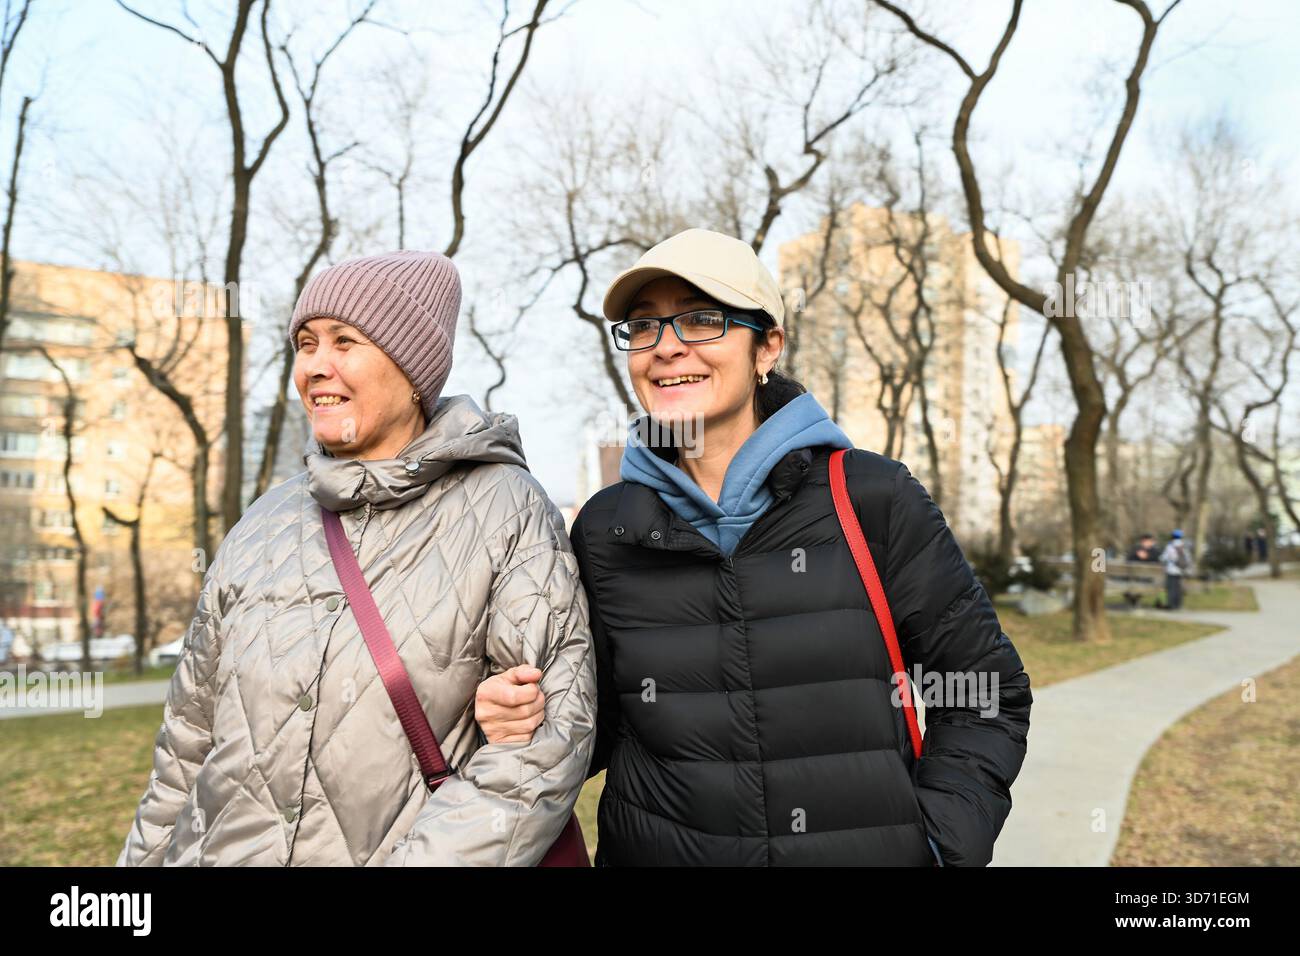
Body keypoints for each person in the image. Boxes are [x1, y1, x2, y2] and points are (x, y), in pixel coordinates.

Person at [474, 228, 1033, 866]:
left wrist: (938, 843)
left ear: (767, 346)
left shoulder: (872, 499)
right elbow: (595, 728)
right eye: (644, 326)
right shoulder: (606, 528)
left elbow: (986, 691)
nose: (667, 348)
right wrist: (523, 714)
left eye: (702, 320)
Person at [117, 250, 596, 866]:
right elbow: (185, 747)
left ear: (412, 367)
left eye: (345, 342)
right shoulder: (260, 525)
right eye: (306, 343)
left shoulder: (508, 509)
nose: (316, 366)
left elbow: (540, 753)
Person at [1160, 529, 1192, 610]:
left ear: (1172, 536)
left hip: (1171, 570)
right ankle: (1178, 605)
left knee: (1171, 588)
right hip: (1181, 571)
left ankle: (1171, 605)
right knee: (1178, 588)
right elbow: (1188, 559)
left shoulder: (1170, 546)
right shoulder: (1184, 546)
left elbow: (1164, 558)